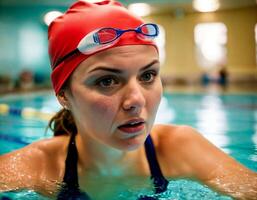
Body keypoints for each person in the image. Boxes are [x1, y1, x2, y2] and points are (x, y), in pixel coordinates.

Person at [0, 1, 257, 199]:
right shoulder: (35, 167)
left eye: (148, 75)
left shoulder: (180, 149)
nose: (136, 101)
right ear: (64, 95)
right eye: (106, 81)